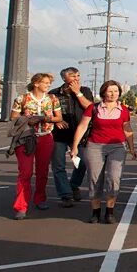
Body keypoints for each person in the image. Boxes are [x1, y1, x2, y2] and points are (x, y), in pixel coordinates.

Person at [71, 80, 137, 224]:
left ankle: (109, 211)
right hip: (95, 146)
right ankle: (95, 212)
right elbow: (82, 127)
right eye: (110, 91)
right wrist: (75, 146)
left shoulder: (124, 110)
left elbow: (127, 129)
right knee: (95, 179)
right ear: (103, 93)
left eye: (116, 91)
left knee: (114, 178)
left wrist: (132, 148)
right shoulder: (93, 108)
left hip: (117, 147)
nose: (113, 94)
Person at [9, 73, 62, 220]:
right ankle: (21, 206)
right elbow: (13, 117)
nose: (48, 85)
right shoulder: (22, 99)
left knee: (42, 171)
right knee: (25, 172)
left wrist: (44, 118)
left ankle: (40, 198)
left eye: (49, 83)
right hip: (26, 138)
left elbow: (59, 118)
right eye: (45, 83)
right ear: (36, 84)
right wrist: (27, 118)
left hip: (45, 137)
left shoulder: (52, 99)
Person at [49, 67, 93, 208]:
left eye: (78, 75)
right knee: (58, 165)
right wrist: (57, 120)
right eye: (72, 76)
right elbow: (46, 111)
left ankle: (74, 185)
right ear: (64, 78)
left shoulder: (85, 91)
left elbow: (90, 107)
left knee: (83, 162)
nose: (76, 78)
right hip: (59, 135)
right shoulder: (54, 93)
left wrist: (78, 93)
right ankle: (65, 194)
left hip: (80, 134)